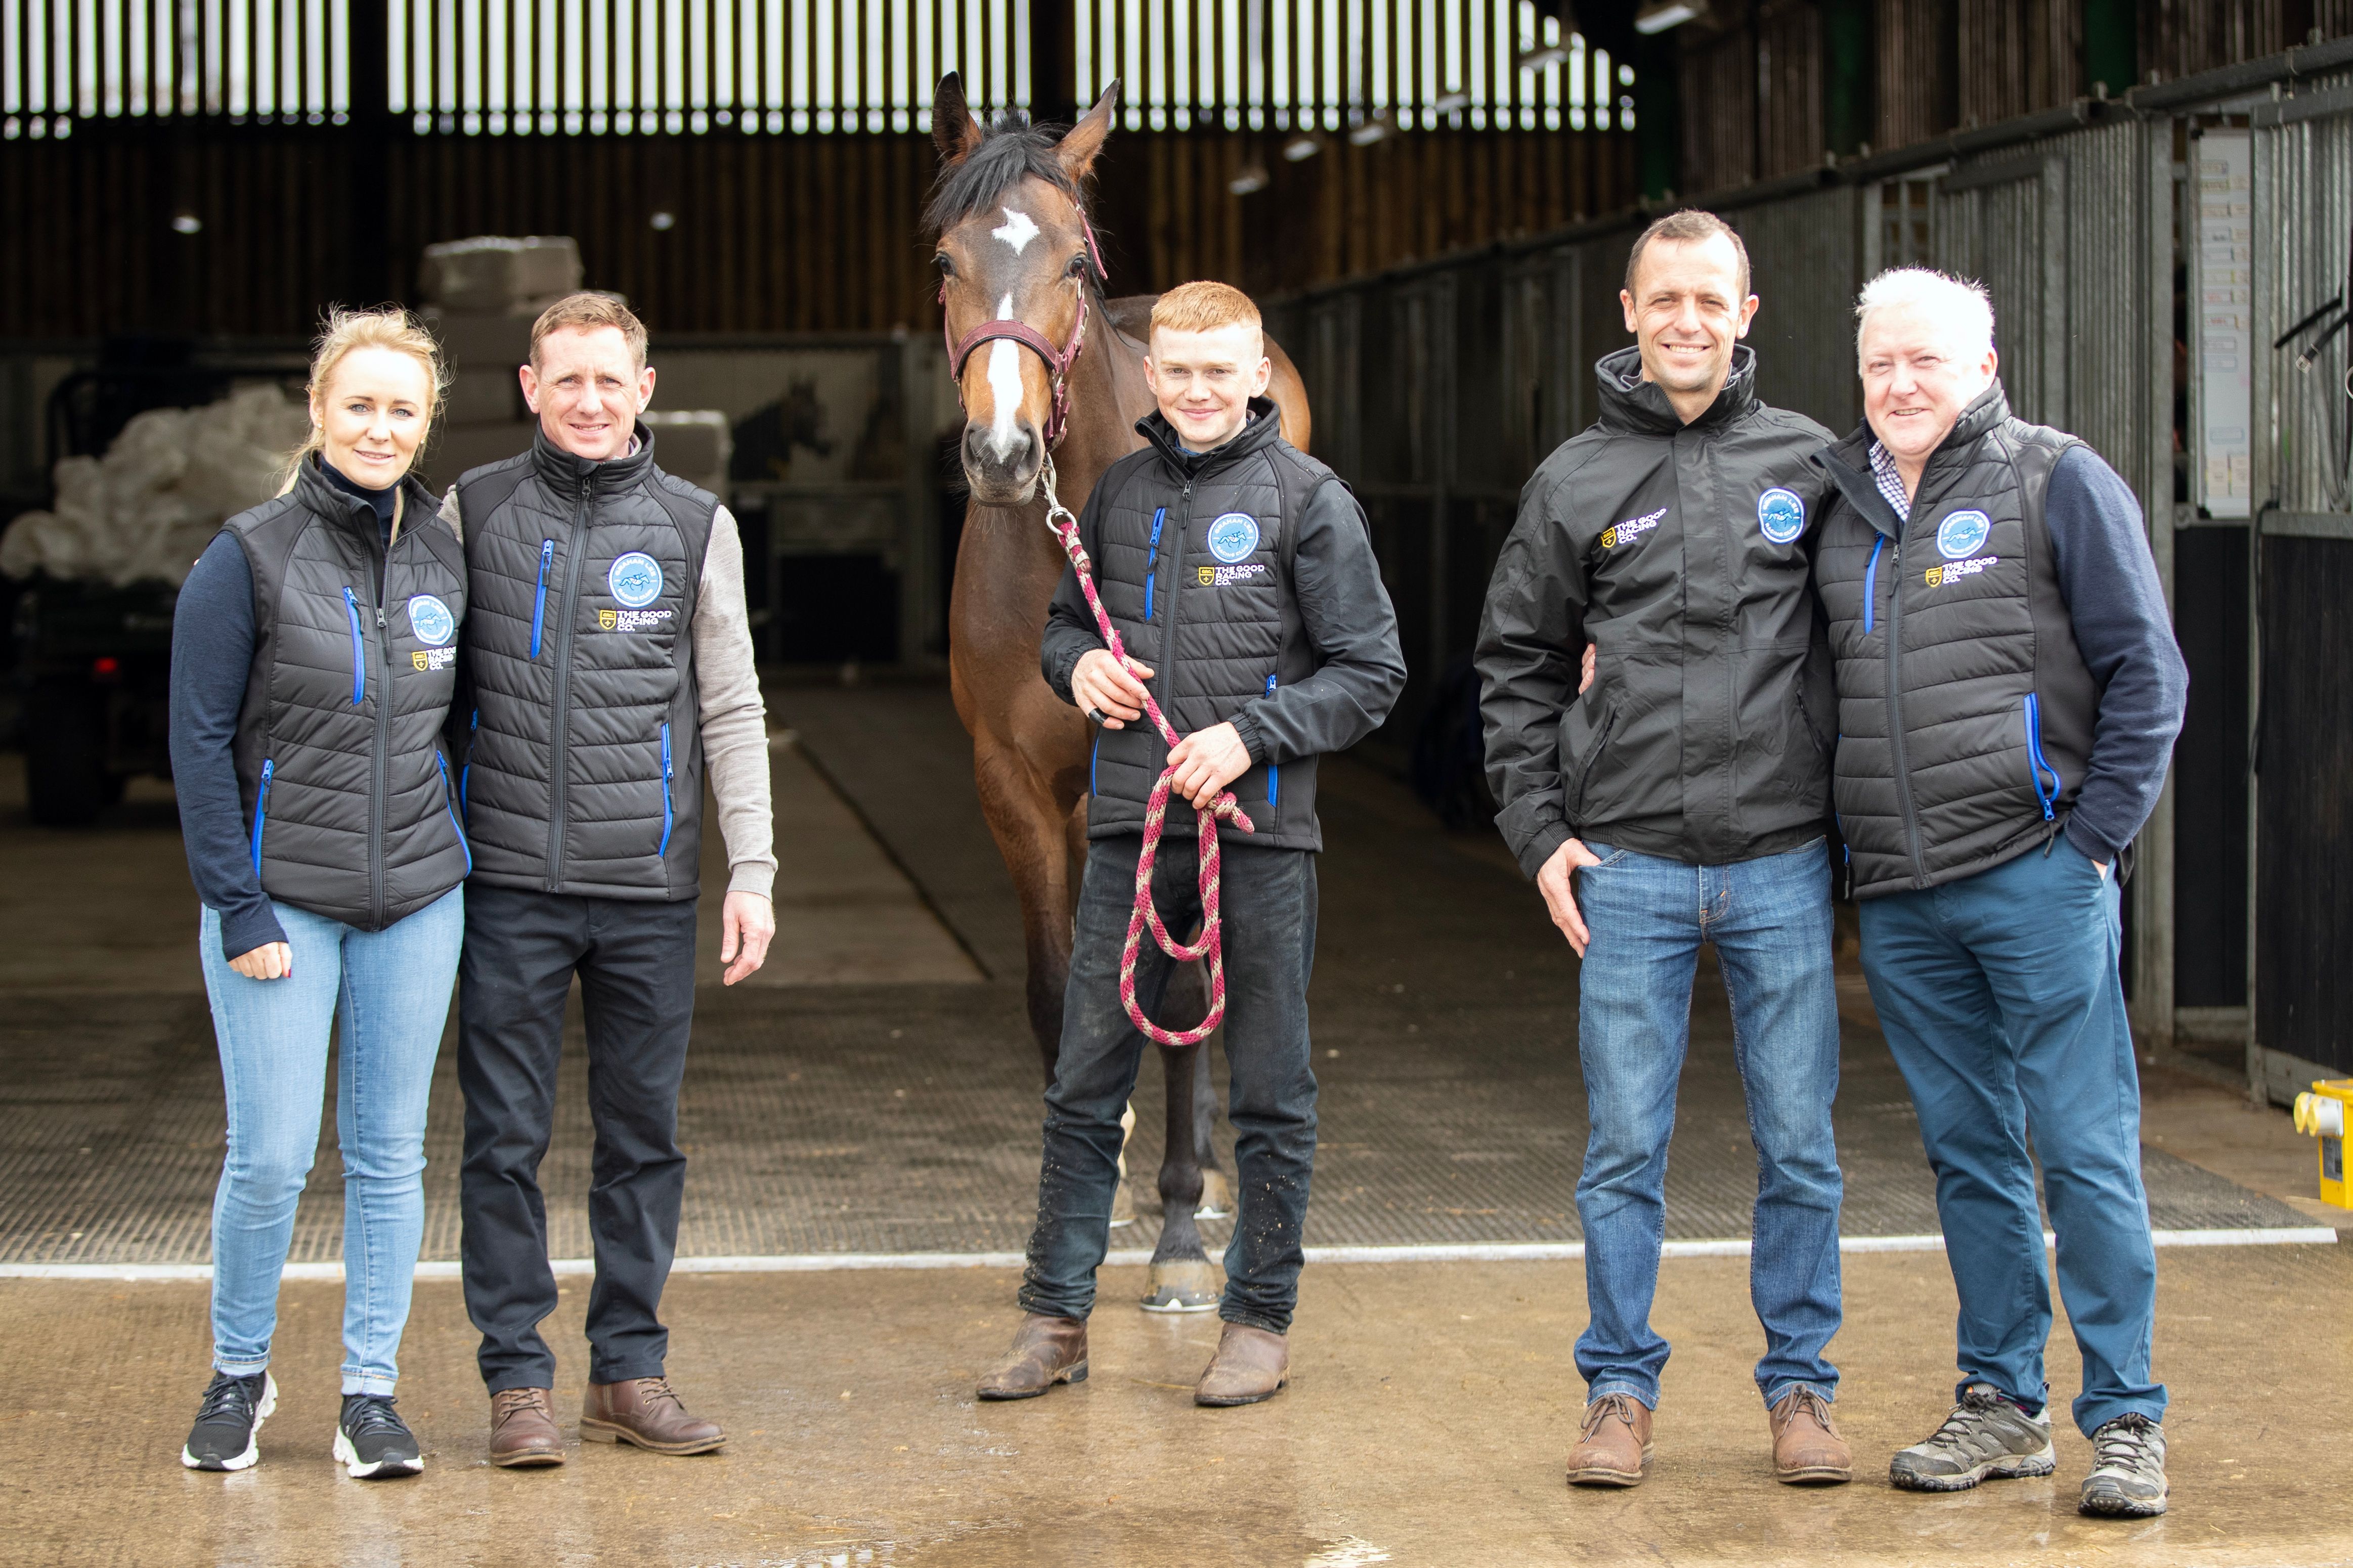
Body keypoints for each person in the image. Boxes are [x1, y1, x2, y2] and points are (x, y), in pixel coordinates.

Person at [977, 280, 1405, 1407]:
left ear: (1258, 373)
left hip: (1256, 836)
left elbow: (1372, 671)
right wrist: (1075, 667)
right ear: (1150, 375)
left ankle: (1256, 1321)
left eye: (1223, 370)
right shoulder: (1115, 496)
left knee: (1272, 1088)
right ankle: (1055, 1315)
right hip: (1127, 826)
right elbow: (1066, 624)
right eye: (1180, 371)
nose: (1201, 389)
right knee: (1082, 1084)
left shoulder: (1311, 500)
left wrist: (1249, 737)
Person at [1475, 210, 1851, 1489]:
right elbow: (1514, 670)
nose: (1686, 319)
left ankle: (1800, 1390)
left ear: (1748, 315)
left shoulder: (1813, 463)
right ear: (1627, 315)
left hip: (1781, 858)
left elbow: (1869, 644)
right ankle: (1618, 1391)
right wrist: (1538, 836)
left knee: (1798, 1140)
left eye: (1710, 299)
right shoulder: (1571, 481)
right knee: (1623, 1148)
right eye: (1662, 300)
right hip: (1626, 866)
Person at [1808, 268, 2187, 1518]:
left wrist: (2091, 841)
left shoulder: (2054, 477)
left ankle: (2126, 1417)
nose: (1900, 385)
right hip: (1905, 894)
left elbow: (2147, 670)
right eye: (1879, 366)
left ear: (1982, 364)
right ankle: (2001, 1406)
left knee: (2081, 1148)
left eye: (1924, 361)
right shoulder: (1843, 504)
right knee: (1968, 1154)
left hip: (2036, 872)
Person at [438, 293, 776, 1467]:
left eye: (609, 380)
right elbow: (428, 697)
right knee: (503, 1139)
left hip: (647, 884)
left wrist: (755, 870)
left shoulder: (694, 526)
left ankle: (627, 1372)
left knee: (644, 1139)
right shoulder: (472, 508)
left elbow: (731, 705)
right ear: (530, 387)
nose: (589, 401)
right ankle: (518, 1383)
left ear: (645, 388)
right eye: (566, 380)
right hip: (510, 884)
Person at [169, 307, 467, 1479]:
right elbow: (197, 743)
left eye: (403, 409)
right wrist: (235, 905)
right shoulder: (244, 556)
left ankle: (370, 1396)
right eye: (360, 405)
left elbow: (476, 717)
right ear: (317, 411)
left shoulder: (450, 548)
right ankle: (239, 1375)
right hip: (278, 897)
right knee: (274, 1155)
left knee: (391, 1155)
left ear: (426, 418)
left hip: (417, 901)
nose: (380, 428)